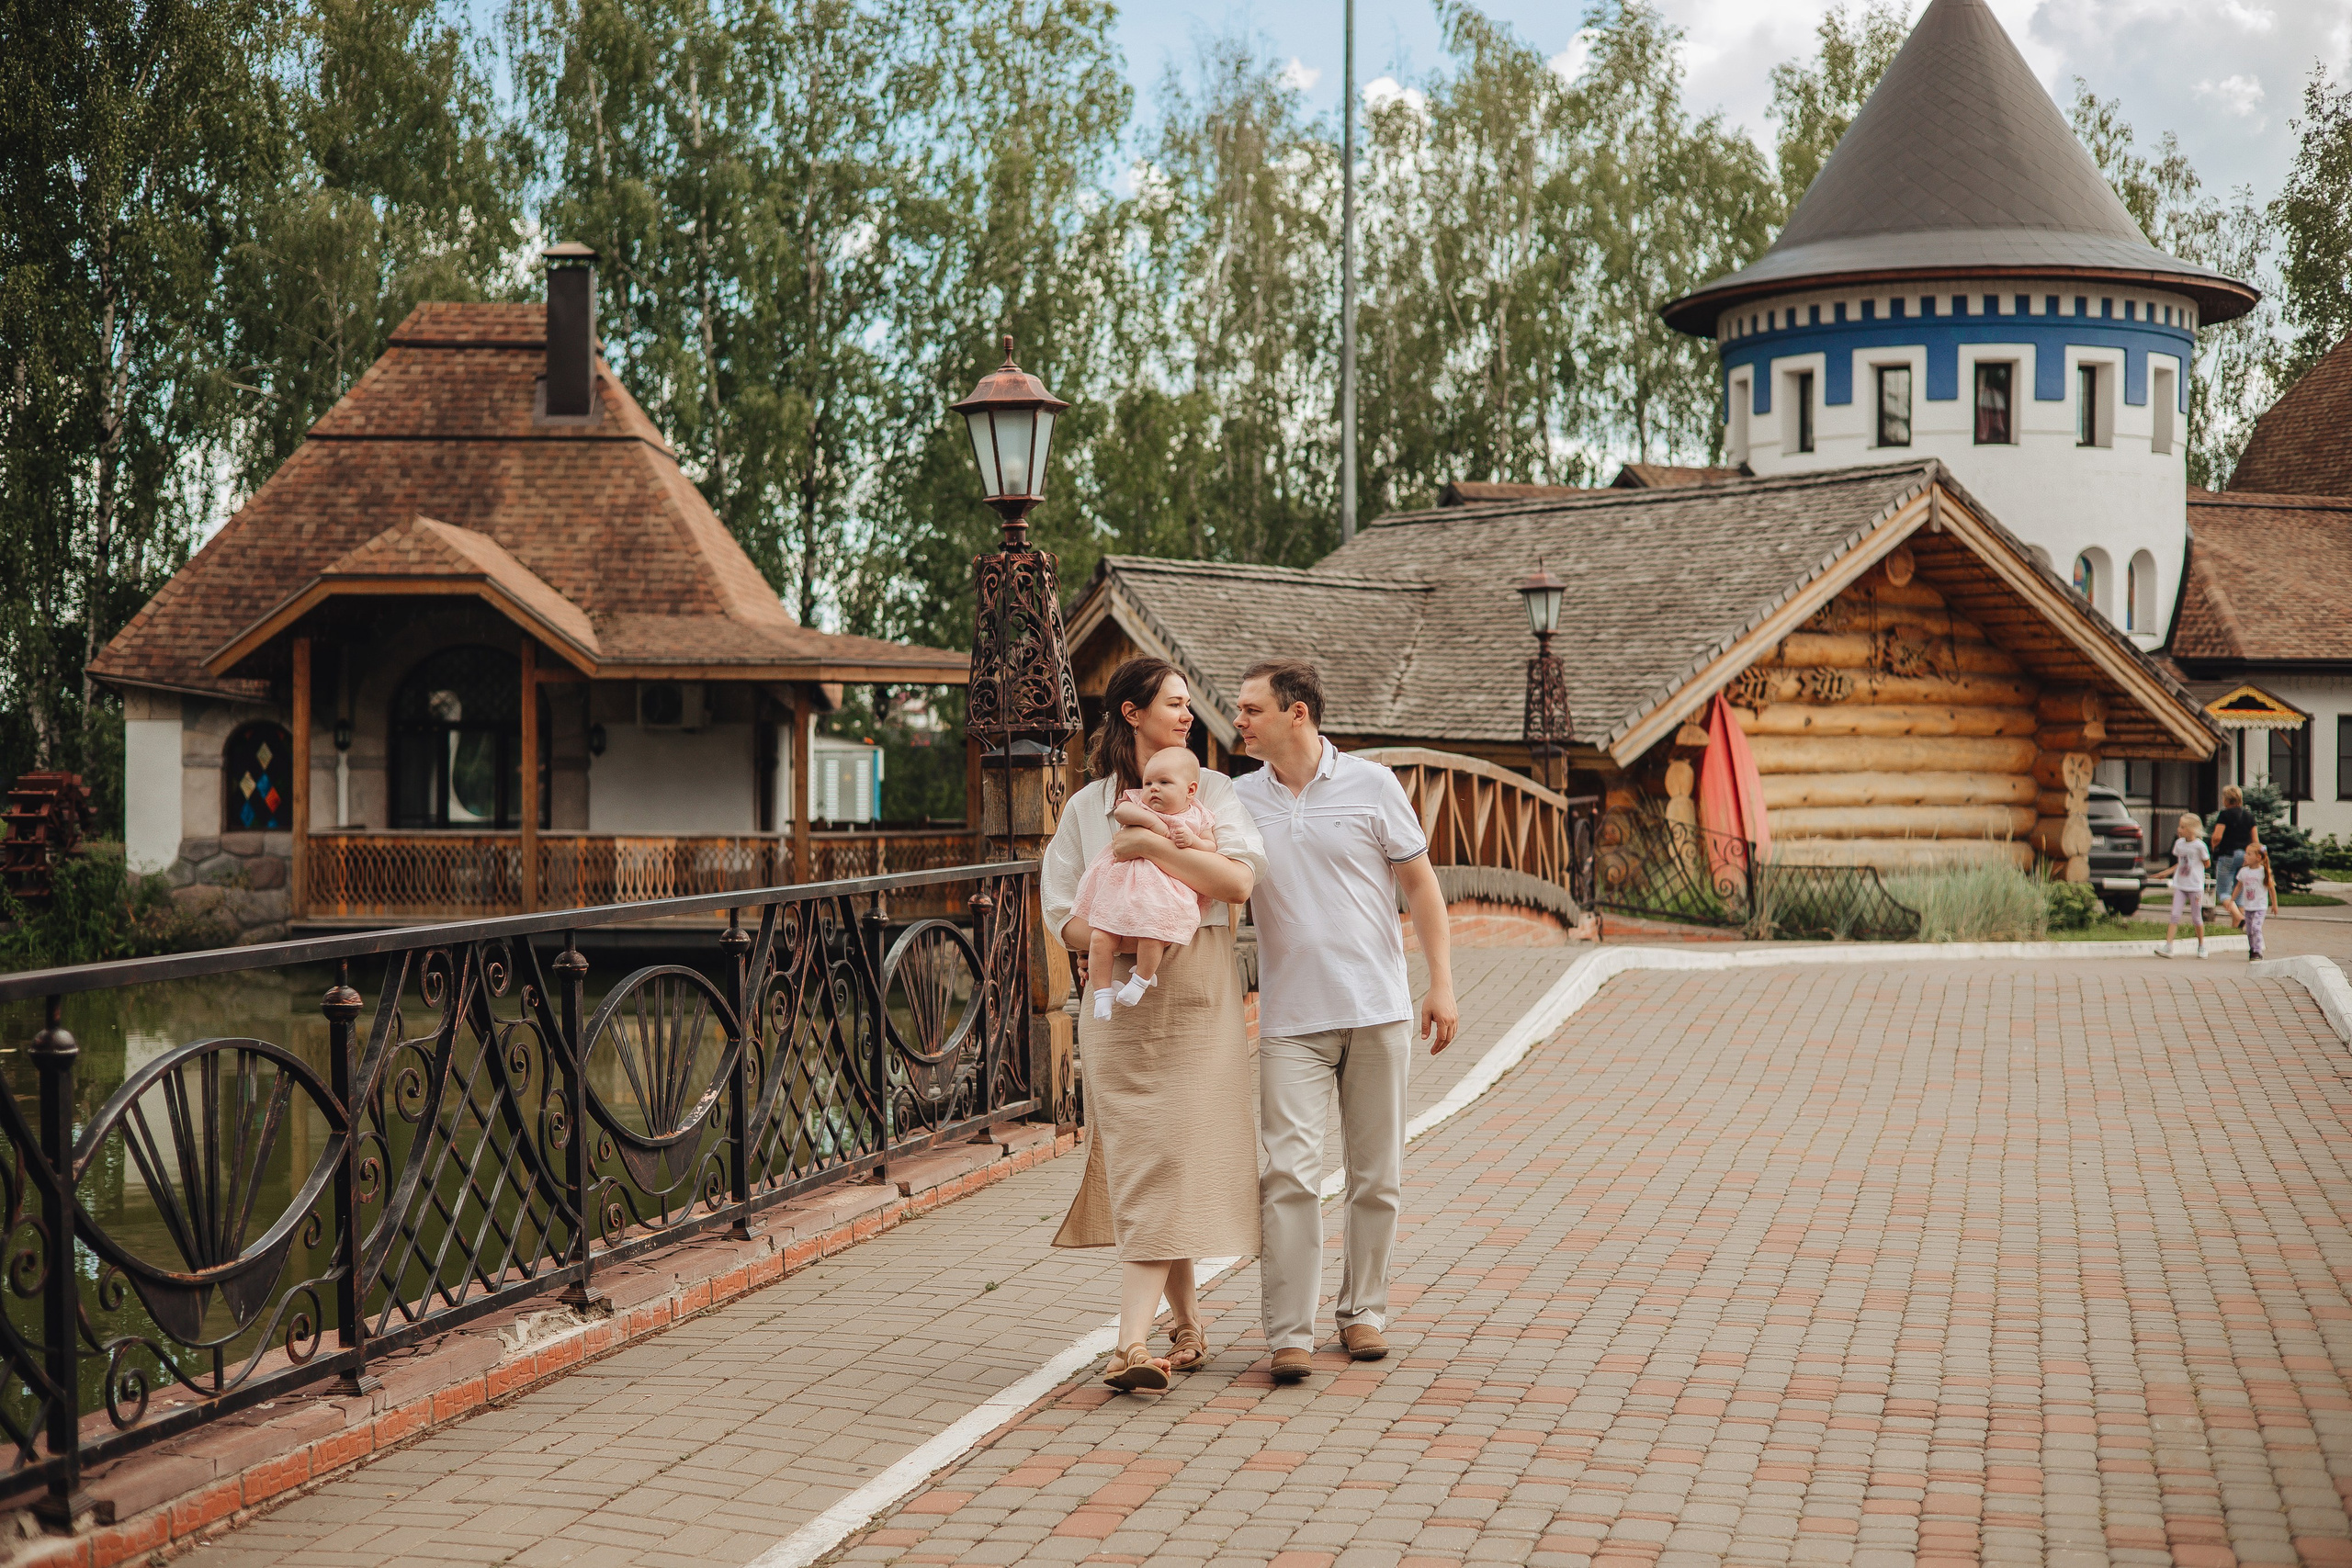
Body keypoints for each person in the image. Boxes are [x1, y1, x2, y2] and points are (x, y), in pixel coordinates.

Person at [1233, 659, 1461, 1385]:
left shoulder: (1374, 784)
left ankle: (1364, 1312)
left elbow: (1422, 886)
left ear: (1296, 713)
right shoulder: (1237, 798)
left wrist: (1441, 983)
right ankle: (1289, 1332)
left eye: (1251, 709)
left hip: (1377, 1009)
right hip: (1290, 1019)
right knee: (1289, 1177)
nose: (1238, 720)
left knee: (1376, 1176)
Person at [1043, 658, 1266, 1393]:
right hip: (1120, 1000)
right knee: (1150, 1162)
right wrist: (1124, 925)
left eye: (1188, 703)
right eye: (1174, 702)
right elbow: (1064, 917)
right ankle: (1185, 1324)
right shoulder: (1087, 808)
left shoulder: (1215, 790)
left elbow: (1237, 881)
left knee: (1173, 1157)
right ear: (1131, 713)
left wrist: (1153, 848)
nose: (1188, 714)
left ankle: (1129, 1342)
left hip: (1197, 989)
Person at [1070, 746, 1218, 1019]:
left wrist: (1193, 841)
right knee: (1100, 937)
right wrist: (1154, 824)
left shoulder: (1197, 815)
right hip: (1122, 889)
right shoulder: (1139, 804)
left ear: (1190, 790)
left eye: (1164, 782)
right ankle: (1101, 993)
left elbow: (1211, 847)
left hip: (1162, 895)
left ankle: (1140, 981)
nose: (1153, 789)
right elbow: (1122, 812)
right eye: (1148, 783)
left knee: (1152, 935)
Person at [2160, 811, 2210, 959]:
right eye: (2179, 826)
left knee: (2196, 917)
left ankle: (2201, 945)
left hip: (2195, 887)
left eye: (2182, 827)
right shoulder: (2179, 844)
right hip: (2181, 885)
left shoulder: (2200, 846)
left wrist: (2194, 866)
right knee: (2175, 915)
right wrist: (2167, 872)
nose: (2179, 829)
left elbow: (2207, 864)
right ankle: (2168, 945)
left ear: (2192, 829)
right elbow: (2180, 862)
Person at [2211, 784, 2256, 927]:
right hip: (2245, 857)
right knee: (2239, 893)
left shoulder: (2224, 815)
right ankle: (2237, 927)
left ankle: (2239, 917)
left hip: (2228, 855)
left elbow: (2217, 836)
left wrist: (2213, 846)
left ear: (2226, 799)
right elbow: (2255, 840)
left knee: (2223, 892)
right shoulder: (2249, 816)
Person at [2225, 838, 2275, 960]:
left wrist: (2275, 904)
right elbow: (2238, 886)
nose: (2245, 856)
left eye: (2249, 854)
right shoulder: (2244, 871)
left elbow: (2271, 888)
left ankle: (2258, 951)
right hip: (2248, 907)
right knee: (2249, 930)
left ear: (2258, 857)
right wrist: (2231, 900)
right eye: (2246, 853)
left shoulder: (2263, 872)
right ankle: (2252, 949)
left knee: (2256, 928)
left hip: (2260, 906)